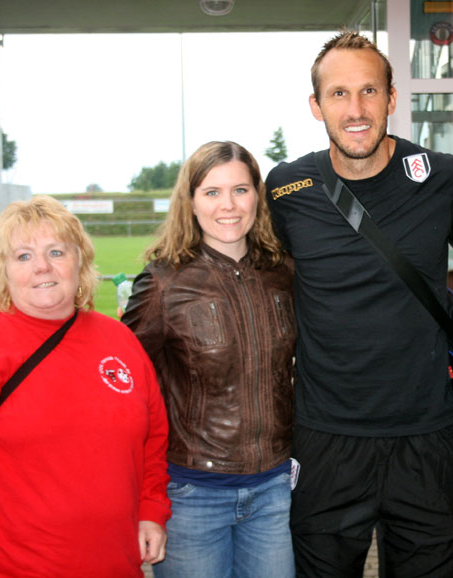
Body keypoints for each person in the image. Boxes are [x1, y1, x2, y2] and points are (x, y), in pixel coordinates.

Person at [264, 31, 453, 578]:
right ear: (316, 107)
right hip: (326, 441)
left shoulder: (441, 177)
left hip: (427, 438)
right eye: (338, 94)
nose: (355, 109)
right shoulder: (286, 189)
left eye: (369, 91)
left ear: (391, 98)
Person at [0, 195, 170, 577]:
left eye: (56, 251)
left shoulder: (119, 342)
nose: (42, 267)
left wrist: (150, 512)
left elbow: (152, 441)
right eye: (23, 256)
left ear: (80, 261)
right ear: (2, 271)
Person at [122, 141, 297, 578]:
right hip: (191, 492)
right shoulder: (164, 282)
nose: (229, 205)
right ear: (191, 202)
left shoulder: (283, 273)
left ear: (257, 194)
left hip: (272, 488)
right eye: (212, 192)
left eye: (240, 189)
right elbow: (123, 384)